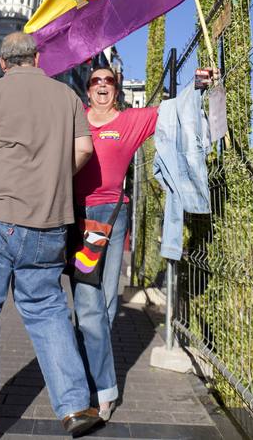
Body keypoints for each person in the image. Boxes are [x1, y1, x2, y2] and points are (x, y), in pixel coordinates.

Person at [0, 32, 103, 440]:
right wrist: (51, 178)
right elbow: (84, 151)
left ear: (3, 62)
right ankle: (76, 406)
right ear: (37, 58)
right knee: (47, 310)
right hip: (47, 223)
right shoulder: (66, 97)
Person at [71, 67, 160, 423]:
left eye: (109, 81)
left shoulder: (128, 121)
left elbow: (173, 110)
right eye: (96, 81)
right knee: (86, 299)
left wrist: (202, 85)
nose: (103, 85)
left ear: (117, 89)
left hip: (108, 215)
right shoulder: (74, 118)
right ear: (87, 90)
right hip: (72, 215)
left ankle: (97, 385)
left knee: (103, 300)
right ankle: (96, 383)